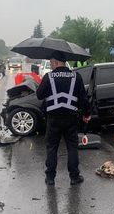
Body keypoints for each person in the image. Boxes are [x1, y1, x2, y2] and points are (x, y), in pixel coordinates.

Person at [36, 52, 91, 186]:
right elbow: (83, 99)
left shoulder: (48, 77)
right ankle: (74, 177)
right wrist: (86, 113)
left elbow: (39, 95)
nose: (50, 64)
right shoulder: (76, 76)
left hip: (53, 119)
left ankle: (50, 178)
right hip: (71, 118)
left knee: (52, 148)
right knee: (72, 147)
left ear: (55, 62)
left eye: (50, 62)